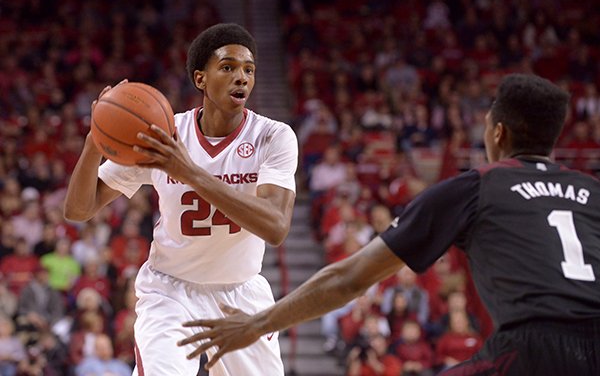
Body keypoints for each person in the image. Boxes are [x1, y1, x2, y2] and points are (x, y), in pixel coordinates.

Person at [178, 74, 600, 375]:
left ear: (498, 133)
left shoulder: (476, 187)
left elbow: (350, 278)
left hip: (532, 349)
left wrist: (256, 324)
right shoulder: (593, 191)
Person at [63, 23, 298, 375]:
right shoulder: (164, 135)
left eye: (249, 69)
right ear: (200, 79)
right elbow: (78, 209)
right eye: (228, 67)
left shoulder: (273, 137)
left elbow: (276, 227)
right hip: (170, 292)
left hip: (240, 292)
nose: (242, 78)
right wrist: (93, 146)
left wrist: (188, 171)